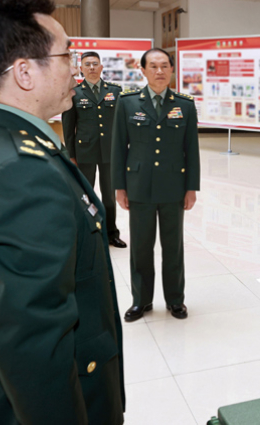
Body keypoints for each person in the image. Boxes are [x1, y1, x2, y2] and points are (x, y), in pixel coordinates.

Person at [0, 0, 124, 424]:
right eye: (67, 56)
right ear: (25, 73)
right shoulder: (21, 173)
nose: (75, 68)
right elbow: (35, 346)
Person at [111, 48, 200, 322]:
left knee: (173, 248)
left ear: (172, 69)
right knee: (140, 248)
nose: (159, 71)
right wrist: (119, 186)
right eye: (153, 66)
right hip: (139, 186)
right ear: (143, 71)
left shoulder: (185, 105)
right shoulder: (127, 103)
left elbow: (191, 149)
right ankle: (141, 301)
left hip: (174, 187)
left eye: (164, 66)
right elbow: (118, 147)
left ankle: (175, 300)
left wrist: (191, 187)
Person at [62, 51, 127, 248]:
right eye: (87, 64)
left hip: (109, 152)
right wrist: (71, 155)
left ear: (101, 67)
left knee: (109, 196)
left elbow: (121, 124)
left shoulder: (115, 91)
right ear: (81, 69)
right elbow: (68, 128)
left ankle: (111, 233)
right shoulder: (74, 92)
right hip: (84, 152)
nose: (91, 67)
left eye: (95, 64)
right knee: (85, 195)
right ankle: (86, 233)